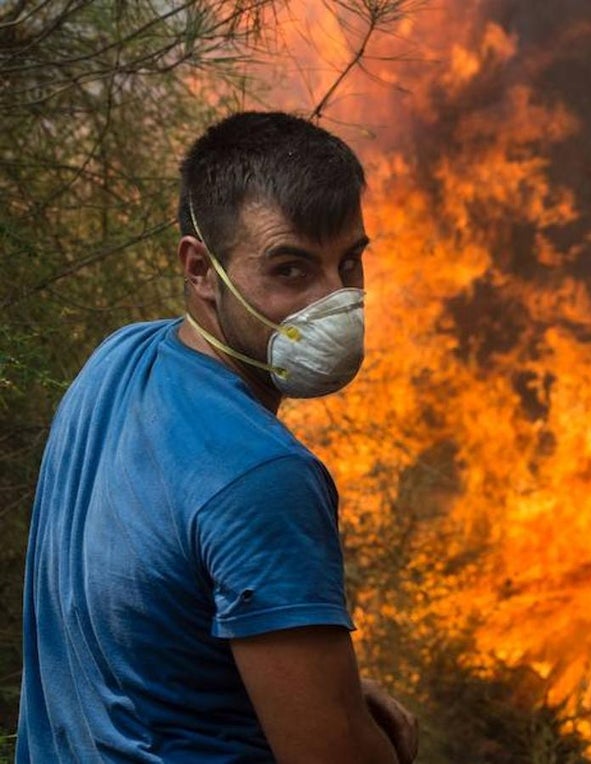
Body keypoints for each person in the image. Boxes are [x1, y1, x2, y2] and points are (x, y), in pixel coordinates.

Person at [18, 112, 418, 763]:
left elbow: (141, 624)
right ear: (201, 269)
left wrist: (316, 691)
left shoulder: (119, 360)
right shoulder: (263, 476)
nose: (337, 300)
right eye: (291, 270)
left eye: (350, 262)